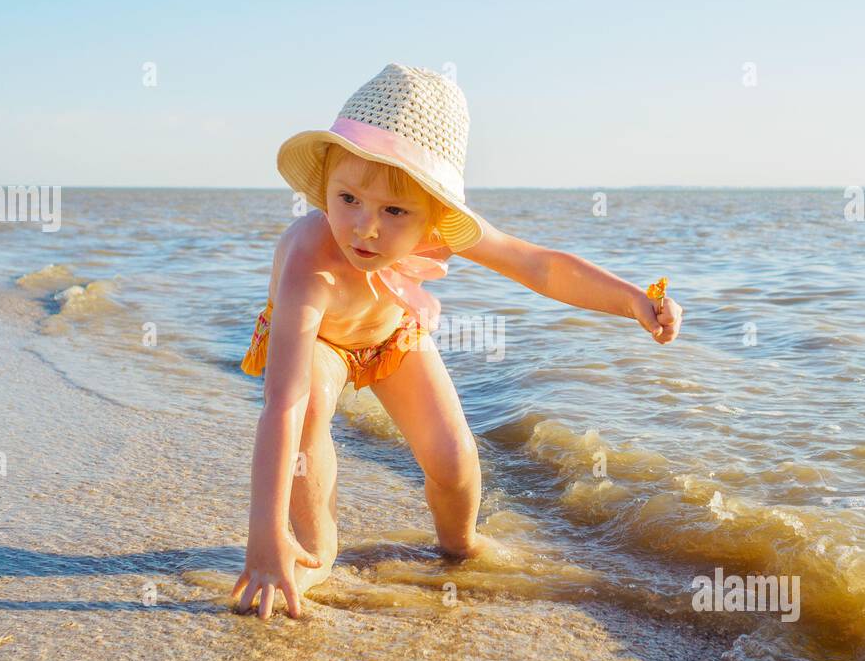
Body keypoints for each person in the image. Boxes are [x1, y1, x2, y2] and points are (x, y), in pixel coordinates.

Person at [235, 63, 683, 619]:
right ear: (324, 183)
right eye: (347, 199)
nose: (363, 228)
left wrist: (632, 301)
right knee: (308, 413)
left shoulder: (436, 230)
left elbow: (540, 267)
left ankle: (460, 544)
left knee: (452, 457)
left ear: (433, 218)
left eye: (393, 211)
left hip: (392, 333)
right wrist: (263, 535)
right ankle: (311, 548)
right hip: (318, 342)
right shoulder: (312, 260)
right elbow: (283, 402)